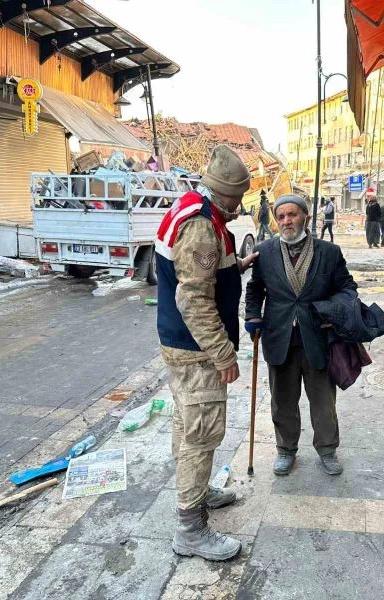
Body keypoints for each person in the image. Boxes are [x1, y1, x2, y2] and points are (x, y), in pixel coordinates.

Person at [154, 144, 258, 561]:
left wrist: (239, 266)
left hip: (181, 347)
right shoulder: (201, 226)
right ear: (225, 194)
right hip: (197, 352)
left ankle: (197, 493)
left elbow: (205, 273)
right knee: (201, 433)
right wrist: (223, 355)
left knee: (187, 425)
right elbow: (194, 299)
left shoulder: (196, 208)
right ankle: (190, 530)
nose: (239, 207)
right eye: (237, 199)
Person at [244, 195, 357, 477]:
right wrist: (252, 316)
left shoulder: (328, 252)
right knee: (282, 399)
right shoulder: (265, 251)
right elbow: (255, 289)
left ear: (305, 216)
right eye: (280, 216)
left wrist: (333, 311)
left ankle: (327, 449)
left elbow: (347, 288)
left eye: (292, 215)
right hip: (278, 335)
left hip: (317, 336)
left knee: (323, 400)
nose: (286, 221)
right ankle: (285, 450)